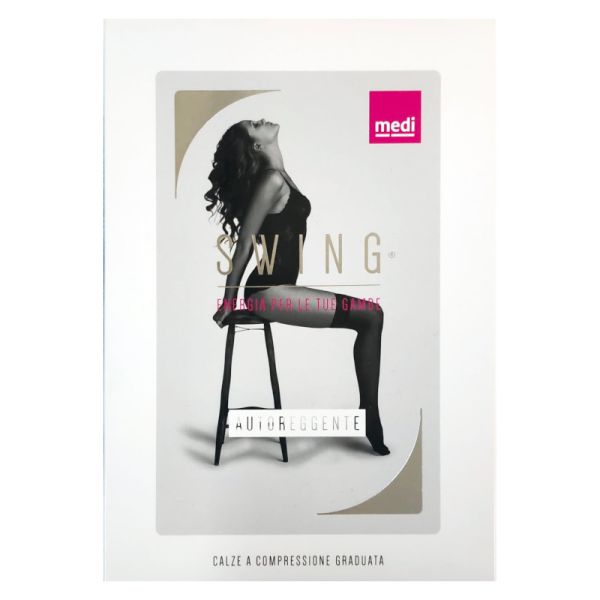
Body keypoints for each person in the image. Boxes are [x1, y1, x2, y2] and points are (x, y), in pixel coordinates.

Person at [206, 119, 389, 455]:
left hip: (279, 287)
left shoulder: (279, 175)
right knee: (370, 316)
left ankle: (368, 414)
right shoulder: (272, 181)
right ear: (257, 145)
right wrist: (228, 301)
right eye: (254, 125)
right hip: (267, 291)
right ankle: (370, 417)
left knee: (371, 316)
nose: (261, 119)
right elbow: (245, 244)